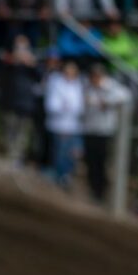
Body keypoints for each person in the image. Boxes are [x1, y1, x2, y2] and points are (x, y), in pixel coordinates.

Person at [82, 63, 130, 202]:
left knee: (101, 161)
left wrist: (107, 102)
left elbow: (126, 95)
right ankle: (93, 189)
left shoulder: (110, 86)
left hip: (104, 131)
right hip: (90, 129)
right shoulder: (87, 86)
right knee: (91, 161)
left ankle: (100, 191)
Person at [45, 60, 84, 188]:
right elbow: (52, 105)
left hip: (73, 126)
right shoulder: (56, 83)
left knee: (73, 153)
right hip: (59, 125)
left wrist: (70, 107)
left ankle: (66, 175)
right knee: (60, 152)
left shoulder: (77, 85)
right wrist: (64, 108)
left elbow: (79, 106)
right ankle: (60, 176)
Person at [2, 34, 39, 167]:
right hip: (11, 102)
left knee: (23, 132)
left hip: (26, 104)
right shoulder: (10, 62)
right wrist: (13, 61)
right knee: (9, 129)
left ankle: (18, 156)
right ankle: (9, 154)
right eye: (19, 47)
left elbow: (39, 77)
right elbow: (2, 76)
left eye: (24, 47)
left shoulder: (32, 65)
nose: (22, 51)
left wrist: (31, 64)